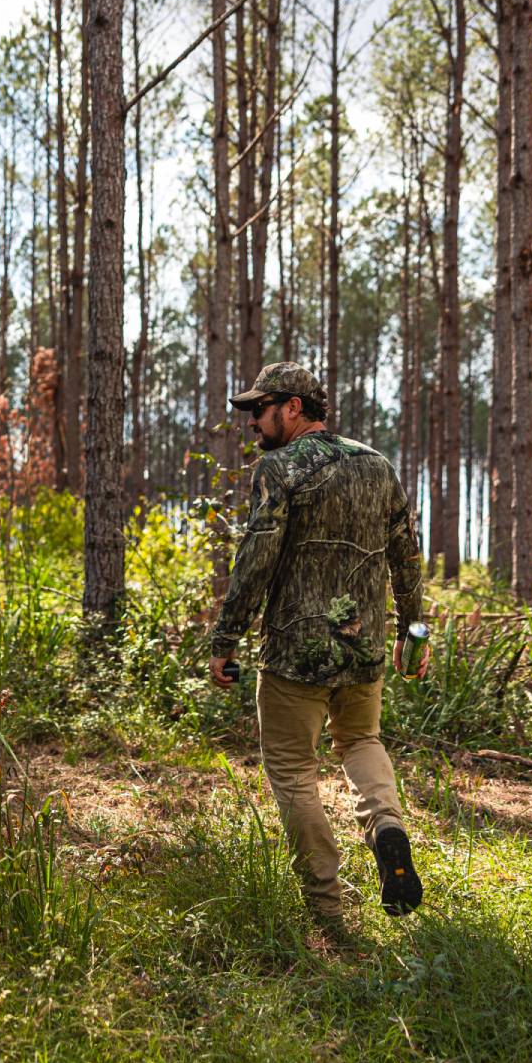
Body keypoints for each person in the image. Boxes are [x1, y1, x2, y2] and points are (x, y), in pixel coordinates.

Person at [208, 361, 428, 931]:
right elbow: (406, 554)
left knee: (291, 770)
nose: (253, 421)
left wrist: (226, 636)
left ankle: (328, 910)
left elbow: (256, 558)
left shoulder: (280, 470)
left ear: (294, 408)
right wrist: (414, 629)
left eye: (260, 409)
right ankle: (386, 827)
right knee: (361, 741)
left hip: (293, 653)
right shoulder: (377, 466)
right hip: (364, 649)